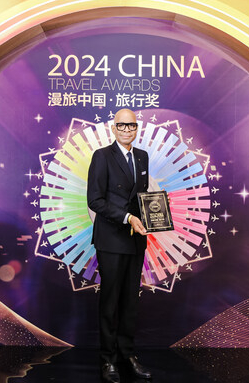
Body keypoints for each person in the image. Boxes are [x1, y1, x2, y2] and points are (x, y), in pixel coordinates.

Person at [87, 108, 152, 382]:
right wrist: (127, 217)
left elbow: (141, 197)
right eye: (122, 125)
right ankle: (108, 359)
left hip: (136, 239)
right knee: (110, 302)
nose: (127, 129)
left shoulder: (142, 156)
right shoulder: (102, 156)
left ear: (137, 128)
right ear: (113, 128)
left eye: (131, 125)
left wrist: (155, 212)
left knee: (130, 302)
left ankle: (127, 354)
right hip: (111, 240)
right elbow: (95, 200)